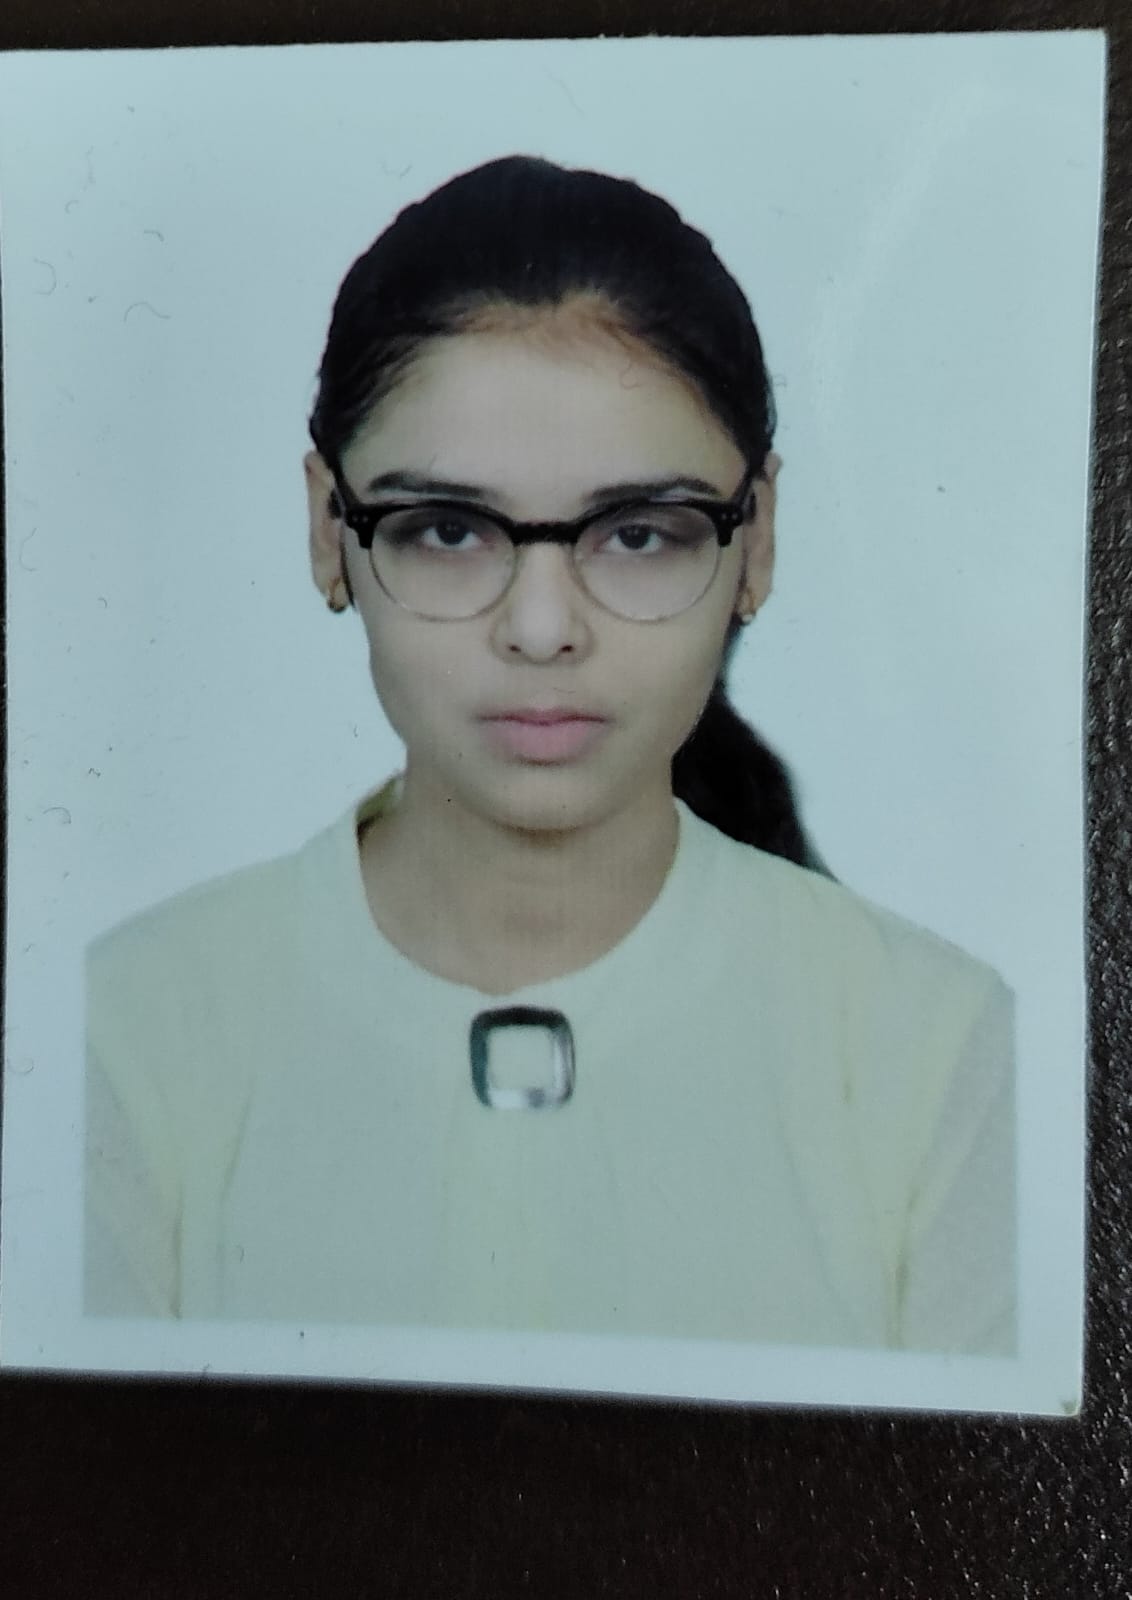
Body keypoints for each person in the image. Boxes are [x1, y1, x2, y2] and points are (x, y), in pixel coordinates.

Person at [85, 155, 1016, 1357]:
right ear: (328, 528)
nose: (540, 628)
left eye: (636, 533)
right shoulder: (128, 1036)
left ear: (756, 539)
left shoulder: (935, 1051)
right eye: (447, 529)